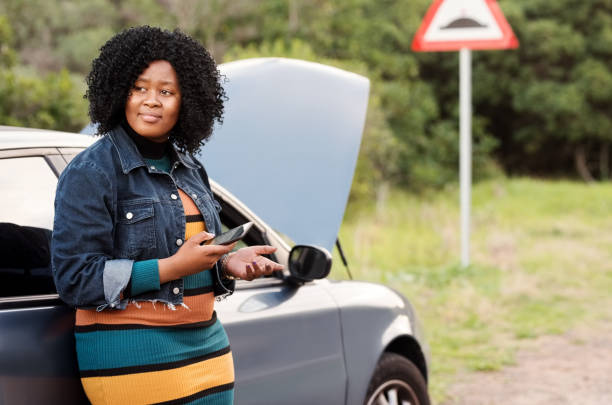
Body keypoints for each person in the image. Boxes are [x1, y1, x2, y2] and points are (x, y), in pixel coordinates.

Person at [51, 26, 283, 405]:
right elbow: (75, 279)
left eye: (166, 91)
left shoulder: (191, 169)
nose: (151, 101)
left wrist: (225, 264)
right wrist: (171, 268)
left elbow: (192, 256)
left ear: (187, 101)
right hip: (131, 357)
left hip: (207, 351)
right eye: (139, 88)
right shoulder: (91, 172)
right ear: (119, 91)